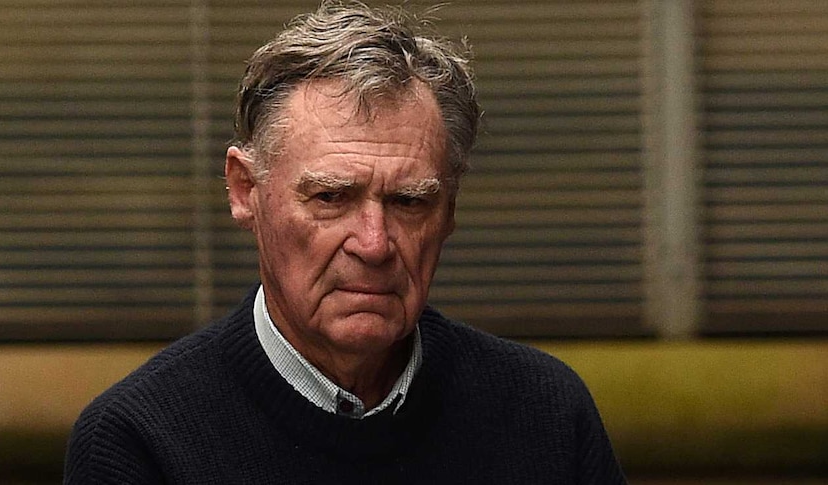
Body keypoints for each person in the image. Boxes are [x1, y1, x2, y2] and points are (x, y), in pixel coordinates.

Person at [64, 2, 627, 483]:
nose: (375, 244)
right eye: (331, 198)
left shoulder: (546, 415)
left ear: (449, 210)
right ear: (246, 192)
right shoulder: (140, 442)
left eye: (410, 202)